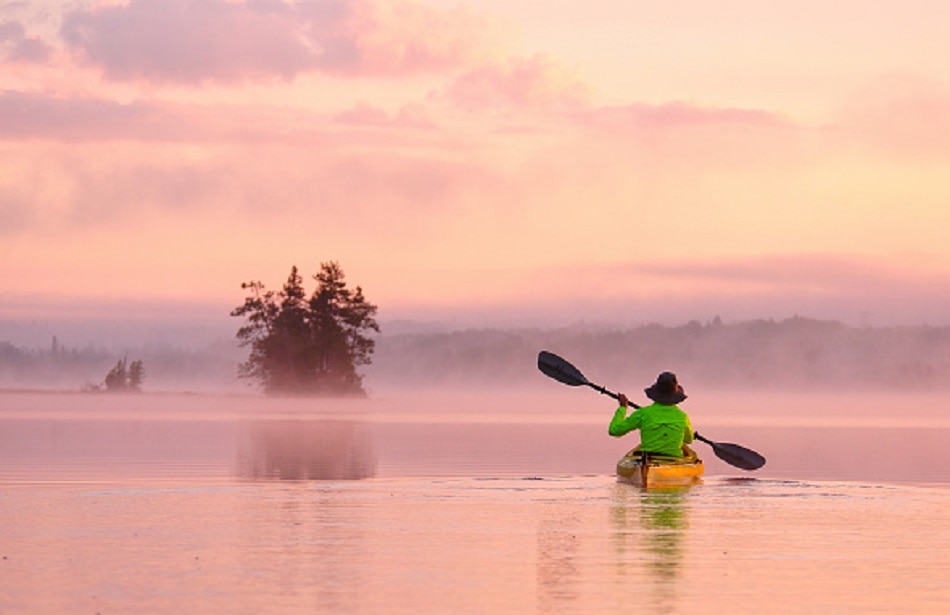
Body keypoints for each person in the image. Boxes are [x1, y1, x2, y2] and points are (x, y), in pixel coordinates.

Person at [608, 371, 696, 460]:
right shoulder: (683, 417)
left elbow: (614, 430)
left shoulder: (643, 413)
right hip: (674, 460)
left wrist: (623, 408)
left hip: (647, 459)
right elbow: (688, 439)